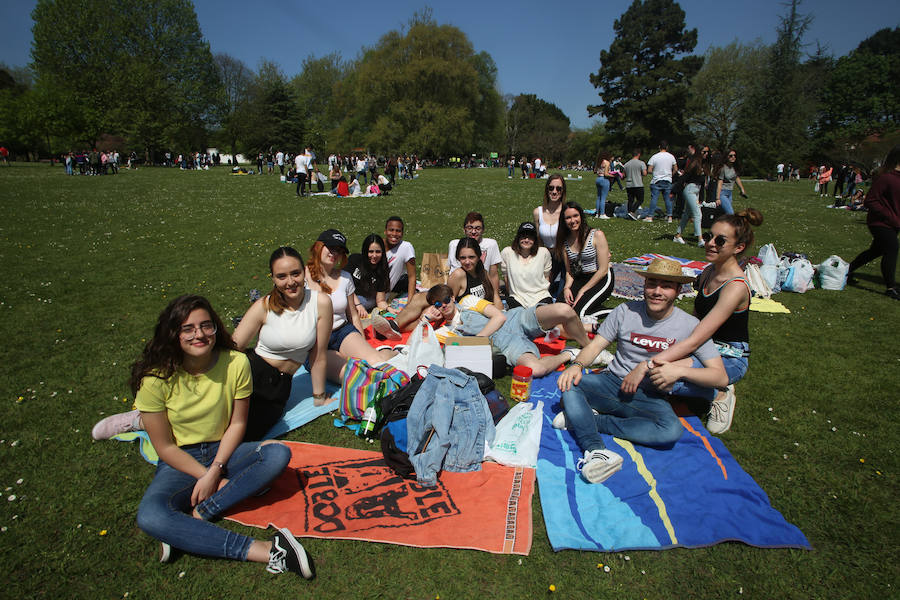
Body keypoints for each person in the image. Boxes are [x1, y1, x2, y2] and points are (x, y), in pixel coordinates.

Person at [93, 295, 315, 577]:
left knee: (277, 453)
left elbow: (237, 425)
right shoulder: (155, 378)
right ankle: (269, 550)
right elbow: (164, 447)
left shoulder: (236, 362)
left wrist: (216, 470)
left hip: (225, 450)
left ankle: (197, 517)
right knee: (150, 514)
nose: (199, 334)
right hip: (181, 458)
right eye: (188, 328)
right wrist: (205, 474)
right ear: (173, 333)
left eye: (206, 326)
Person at [554, 259, 728, 483]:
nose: (657, 291)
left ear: (678, 290)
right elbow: (596, 345)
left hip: (649, 396)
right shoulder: (624, 311)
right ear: (644, 285)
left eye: (665, 286)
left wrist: (678, 372)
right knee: (568, 383)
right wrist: (576, 366)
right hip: (611, 384)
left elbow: (720, 376)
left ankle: (588, 420)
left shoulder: (690, 325)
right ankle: (595, 450)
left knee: (671, 432)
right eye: (651, 284)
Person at [638, 210, 763, 434]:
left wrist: (652, 362)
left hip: (729, 356)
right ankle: (705, 382)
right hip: (705, 348)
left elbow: (696, 338)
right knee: (655, 367)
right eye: (708, 236)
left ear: (739, 247)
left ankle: (720, 393)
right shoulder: (707, 272)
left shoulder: (735, 286)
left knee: (658, 375)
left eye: (720, 240)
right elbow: (694, 322)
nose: (710, 243)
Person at [232, 247, 335, 441]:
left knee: (247, 433)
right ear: (273, 278)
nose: (290, 282)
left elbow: (318, 355)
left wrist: (319, 397)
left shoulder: (320, 302)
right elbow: (233, 348)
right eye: (281, 276)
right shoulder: (264, 305)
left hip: (278, 388)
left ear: (304, 272)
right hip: (249, 373)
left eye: (295, 273)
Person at [421, 284, 599, 377]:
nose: (443, 305)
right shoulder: (443, 332)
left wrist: (479, 339)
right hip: (506, 345)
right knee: (535, 369)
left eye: (445, 300)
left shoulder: (467, 302)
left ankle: (590, 349)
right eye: (437, 304)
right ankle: (570, 354)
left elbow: (499, 317)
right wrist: (426, 319)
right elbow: (420, 346)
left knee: (564, 310)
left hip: (515, 320)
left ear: (452, 297)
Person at [305, 230, 396, 382]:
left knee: (376, 363)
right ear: (318, 247)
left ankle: (394, 354)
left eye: (339, 251)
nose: (335, 253)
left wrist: (362, 341)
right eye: (331, 248)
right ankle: (386, 353)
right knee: (356, 376)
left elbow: (353, 315)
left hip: (342, 332)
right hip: (315, 342)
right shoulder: (301, 277)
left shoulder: (345, 278)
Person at [848, 144, 900, 300]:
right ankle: (891, 287)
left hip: (894, 223)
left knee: (875, 251)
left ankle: (847, 271)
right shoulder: (886, 177)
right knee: (892, 248)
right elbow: (871, 200)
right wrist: (890, 216)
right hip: (881, 223)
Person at [556, 202, 615, 324]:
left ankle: (616, 312)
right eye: (568, 218)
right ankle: (592, 307)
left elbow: (603, 269)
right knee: (558, 311)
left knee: (577, 315)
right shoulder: (565, 242)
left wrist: (583, 290)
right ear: (564, 221)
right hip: (580, 277)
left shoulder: (596, 235)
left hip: (600, 278)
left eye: (575, 216)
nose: (573, 221)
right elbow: (569, 271)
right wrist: (567, 288)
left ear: (581, 217)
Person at [447, 212, 503, 310]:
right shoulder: (458, 274)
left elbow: (494, 289)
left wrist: (501, 310)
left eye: (471, 257)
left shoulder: (483, 271)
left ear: (479, 257)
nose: (467, 262)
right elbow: (449, 304)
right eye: (463, 258)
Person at [501, 222, 553, 308]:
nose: (526, 240)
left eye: (530, 237)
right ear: (518, 238)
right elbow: (506, 278)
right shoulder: (507, 253)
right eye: (523, 236)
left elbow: (547, 276)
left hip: (541, 296)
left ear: (535, 239)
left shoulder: (543, 252)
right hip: (517, 298)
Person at [346, 234, 391, 317]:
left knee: (368, 302)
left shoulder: (383, 269)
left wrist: (389, 309)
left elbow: (380, 301)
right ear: (365, 251)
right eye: (371, 252)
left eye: (378, 252)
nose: (374, 256)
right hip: (348, 295)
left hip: (366, 300)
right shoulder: (354, 260)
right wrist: (358, 305)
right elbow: (344, 285)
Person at [673, 145, 708, 247]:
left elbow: (702, 184)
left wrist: (701, 198)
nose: (706, 154)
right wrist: (673, 191)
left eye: (707, 152)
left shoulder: (703, 164)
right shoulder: (694, 163)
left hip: (696, 191)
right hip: (690, 190)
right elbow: (684, 177)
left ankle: (677, 236)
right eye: (704, 152)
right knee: (698, 214)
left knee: (687, 215)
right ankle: (700, 240)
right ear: (699, 152)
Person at [640, 141, 678, 222]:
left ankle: (650, 216)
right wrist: (670, 174)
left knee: (654, 198)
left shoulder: (654, 157)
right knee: (667, 199)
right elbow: (675, 169)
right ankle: (669, 216)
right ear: (667, 147)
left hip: (657, 180)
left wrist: (655, 171)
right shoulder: (671, 157)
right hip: (667, 179)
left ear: (659, 147)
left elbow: (649, 170)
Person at [384, 217, 417, 298]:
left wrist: (410, 302)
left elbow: (412, 276)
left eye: (398, 231)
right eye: (391, 230)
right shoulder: (377, 245)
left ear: (402, 233)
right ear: (385, 231)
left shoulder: (406, 247)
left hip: (382, 295)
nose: (394, 234)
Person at [716, 149, 748, 215]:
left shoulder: (734, 168)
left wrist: (742, 190)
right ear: (726, 157)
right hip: (723, 193)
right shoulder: (723, 168)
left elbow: (736, 178)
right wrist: (718, 198)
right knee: (730, 213)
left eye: (734, 155)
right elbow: (720, 183)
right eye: (731, 156)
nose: (733, 157)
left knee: (724, 214)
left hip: (729, 193)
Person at [623, 149, 647, 219]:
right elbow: (645, 173)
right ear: (639, 154)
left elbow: (624, 175)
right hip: (638, 184)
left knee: (630, 200)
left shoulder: (626, 164)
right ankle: (632, 211)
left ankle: (629, 212)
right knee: (640, 199)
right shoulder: (641, 163)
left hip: (629, 184)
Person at [593, 150, 613, 220]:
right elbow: (606, 174)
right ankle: (602, 214)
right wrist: (614, 175)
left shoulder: (598, 162)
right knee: (603, 198)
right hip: (604, 179)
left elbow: (594, 171)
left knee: (598, 197)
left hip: (598, 179)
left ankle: (597, 213)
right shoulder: (606, 162)